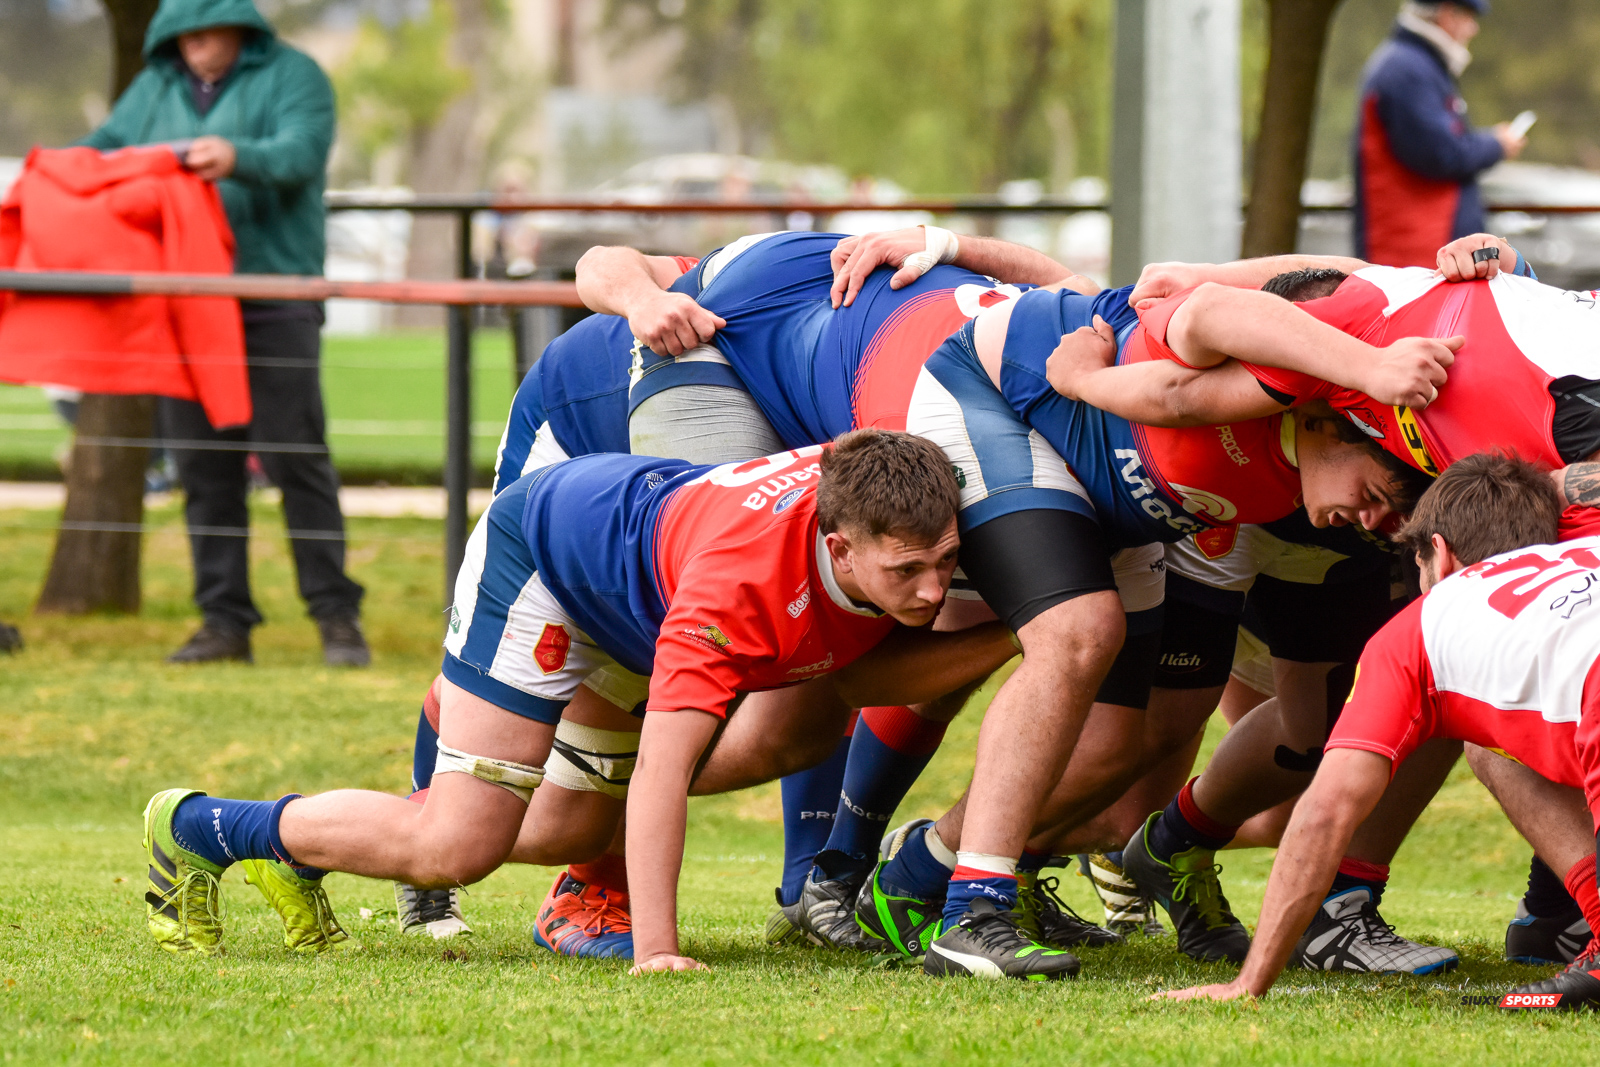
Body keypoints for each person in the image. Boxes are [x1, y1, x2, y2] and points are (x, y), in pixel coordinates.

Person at [137, 431, 1015, 974]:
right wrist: (659, 947)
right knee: (456, 844)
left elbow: (860, 678)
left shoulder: (879, 491)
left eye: (946, 562)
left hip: (634, 593)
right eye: (909, 571)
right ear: (840, 547)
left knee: (572, 830)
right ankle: (202, 825)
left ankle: (342, 827)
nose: (936, 589)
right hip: (548, 567)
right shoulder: (736, 594)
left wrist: (1034, 630)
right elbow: (663, 775)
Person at [1049, 235, 1600, 968]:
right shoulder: (1340, 348)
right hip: (1236, 503)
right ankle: (965, 868)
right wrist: (1091, 370)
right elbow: (1215, 318)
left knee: (1452, 692)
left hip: (1461, 481)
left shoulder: (1409, 336)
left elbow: (1353, 279)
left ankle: (1554, 911)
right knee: (1442, 691)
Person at [1157, 454, 1600, 1008]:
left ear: (1438, 554)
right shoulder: (1587, 543)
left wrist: (1249, 982)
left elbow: (1324, 812)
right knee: (1495, 748)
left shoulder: (1423, 625)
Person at [83, 0, 367, 666]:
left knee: (296, 457)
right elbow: (102, 152)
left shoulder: (296, 75)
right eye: (179, 38)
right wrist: (55, 174)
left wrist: (236, 156)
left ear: (240, 28)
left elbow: (301, 153)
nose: (193, 48)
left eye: (204, 34)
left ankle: (336, 617)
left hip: (274, 296)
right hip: (185, 301)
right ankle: (223, 621)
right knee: (201, 465)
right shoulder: (155, 84)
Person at [1355, 1, 1524, 267]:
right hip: (1413, 253)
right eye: (1470, 18)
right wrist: (1496, 145)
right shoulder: (1408, 69)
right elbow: (1440, 154)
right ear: (1448, 15)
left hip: (1423, 247)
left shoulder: (1413, 63)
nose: (1474, 29)